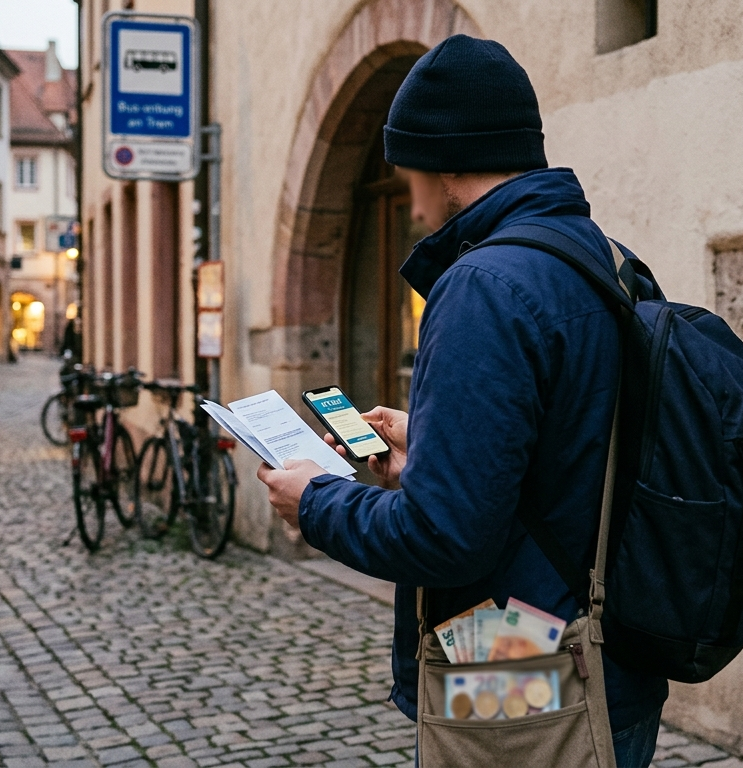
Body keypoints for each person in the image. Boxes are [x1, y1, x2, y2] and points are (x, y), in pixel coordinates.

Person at [257, 34, 667, 767]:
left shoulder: (483, 286)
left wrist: (313, 498)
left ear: (443, 163)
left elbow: (445, 538)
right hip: (612, 652)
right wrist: (431, 444)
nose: (410, 202)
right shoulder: (605, 259)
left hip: (517, 659)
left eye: (406, 170)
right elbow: (575, 450)